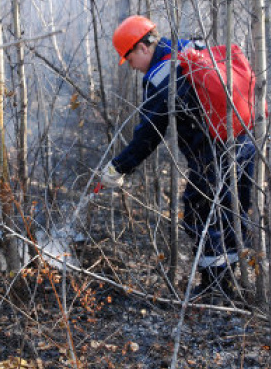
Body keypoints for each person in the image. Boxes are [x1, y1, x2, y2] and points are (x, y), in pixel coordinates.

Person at [98, 15, 256, 298]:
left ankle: (216, 288)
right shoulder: (187, 48)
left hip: (214, 155)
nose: (131, 67)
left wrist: (118, 167)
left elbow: (149, 134)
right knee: (233, 213)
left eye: (129, 58)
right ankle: (231, 283)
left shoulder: (162, 75)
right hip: (245, 142)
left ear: (143, 47)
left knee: (199, 213)